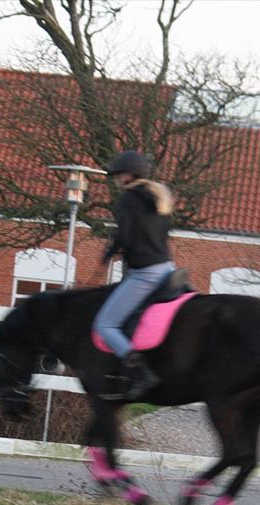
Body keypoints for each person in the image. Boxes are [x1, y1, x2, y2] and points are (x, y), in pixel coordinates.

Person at [94, 150, 176, 401]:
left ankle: (141, 374)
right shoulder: (160, 198)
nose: (116, 180)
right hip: (167, 268)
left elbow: (126, 236)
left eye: (118, 175)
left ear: (128, 176)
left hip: (145, 273)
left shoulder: (128, 200)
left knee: (105, 325)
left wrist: (110, 252)